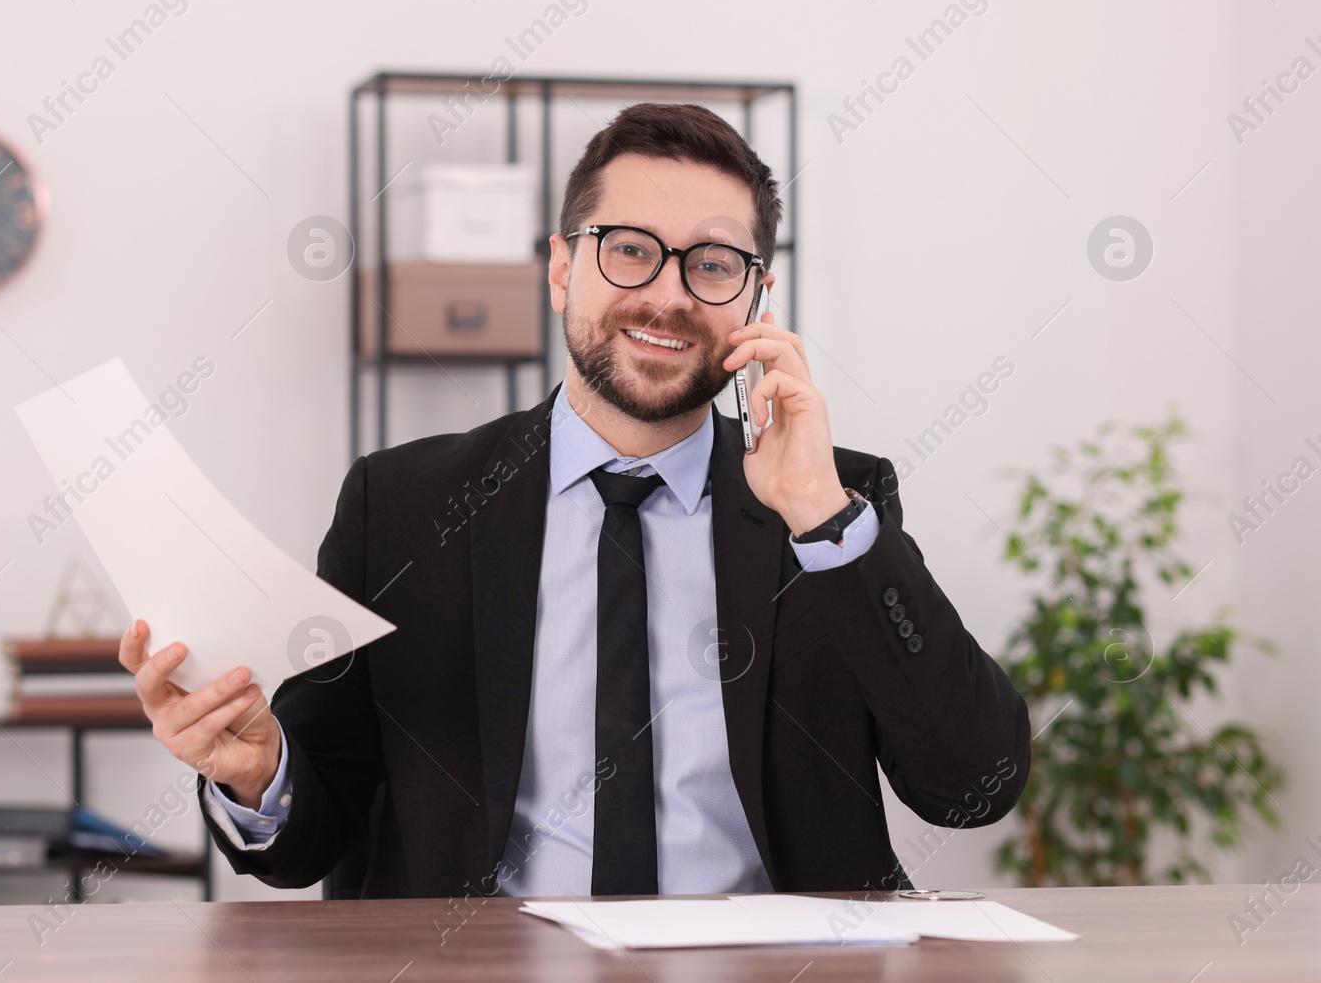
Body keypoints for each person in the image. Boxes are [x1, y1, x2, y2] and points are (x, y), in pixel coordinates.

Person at [121, 102, 1030, 899]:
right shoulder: (399, 507)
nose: (668, 296)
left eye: (713, 264)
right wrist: (260, 774)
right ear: (561, 268)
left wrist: (823, 519)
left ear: (757, 295)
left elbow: (972, 786)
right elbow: (315, 833)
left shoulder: (833, 507)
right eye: (629, 250)